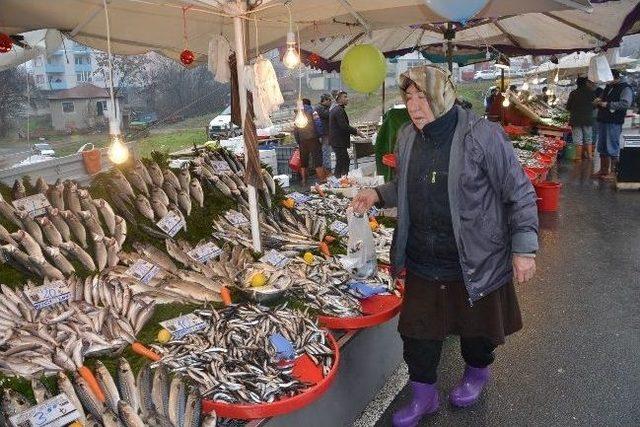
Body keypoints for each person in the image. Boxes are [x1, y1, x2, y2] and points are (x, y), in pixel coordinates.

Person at [351, 65, 538, 426]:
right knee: (417, 335)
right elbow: (407, 185)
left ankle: (475, 376)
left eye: (422, 96)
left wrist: (524, 249)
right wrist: (376, 193)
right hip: (423, 259)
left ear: (443, 95)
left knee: (478, 334)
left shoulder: (482, 136)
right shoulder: (406, 136)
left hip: (475, 259)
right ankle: (424, 396)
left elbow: (519, 192)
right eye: (409, 98)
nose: (414, 106)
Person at [592, 69, 633, 180]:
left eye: (608, 80)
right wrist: (598, 101)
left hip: (614, 121)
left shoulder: (625, 88)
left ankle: (614, 173)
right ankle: (603, 170)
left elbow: (625, 103)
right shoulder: (609, 87)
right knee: (602, 146)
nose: (606, 82)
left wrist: (608, 104)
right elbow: (603, 99)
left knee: (612, 147)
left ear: (616, 78)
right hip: (603, 120)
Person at [328, 91, 365, 177]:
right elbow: (344, 126)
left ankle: (341, 179)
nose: (347, 99)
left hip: (337, 141)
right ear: (339, 99)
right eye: (345, 97)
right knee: (343, 161)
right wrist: (357, 132)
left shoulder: (337, 109)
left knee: (343, 161)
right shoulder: (338, 110)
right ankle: (340, 180)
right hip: (338, 141)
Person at [293, 98, 325, 186]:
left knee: (304, 162)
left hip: (302, 140)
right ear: (309, 104)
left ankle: (304, 181)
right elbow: (318, 124)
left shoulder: (297, 114)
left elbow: (295, 130)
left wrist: (298, 141)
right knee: (318, 160)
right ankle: (322, 180)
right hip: (313, 138)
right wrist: (320, 135)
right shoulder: (313, 111)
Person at [566, 77, 597, 160]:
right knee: (588, 138)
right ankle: (590, 156)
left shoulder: (573, 93)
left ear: (577, 84)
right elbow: (595, 106)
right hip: (587, 118)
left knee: (577, 139)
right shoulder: (591, 93)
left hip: (575, 119)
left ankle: (578, 157)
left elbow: (568, 107)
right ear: (586, 83)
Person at [316, 93, 333, 174]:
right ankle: (327, 170)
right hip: (323, 134)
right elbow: (329, 114)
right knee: (326, 152)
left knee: (327, 151)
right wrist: (331, 107)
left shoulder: (323, 107)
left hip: (326, 133)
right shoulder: (319, 108)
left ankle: (327, 170)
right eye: (329, 100)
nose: (331, 102)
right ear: (325, 100)